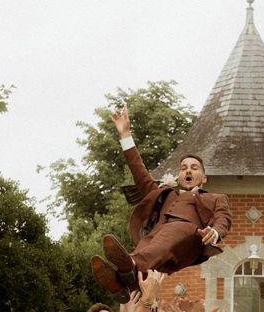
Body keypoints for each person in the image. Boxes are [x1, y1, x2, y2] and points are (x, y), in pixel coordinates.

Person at [91, 105, 232, 303]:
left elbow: (223, 219)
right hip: (159, 238)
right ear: (179, 175)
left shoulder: (215, 198)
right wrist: (125, 134)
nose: (188, 171)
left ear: (204, 178)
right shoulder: (164, 195)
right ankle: (123, 283)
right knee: (149, 243)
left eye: (194, 168)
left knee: (169, 234)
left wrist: (215, 232)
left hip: (189, 236)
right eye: (183, 168)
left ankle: (130, 262)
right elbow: (139, 172)